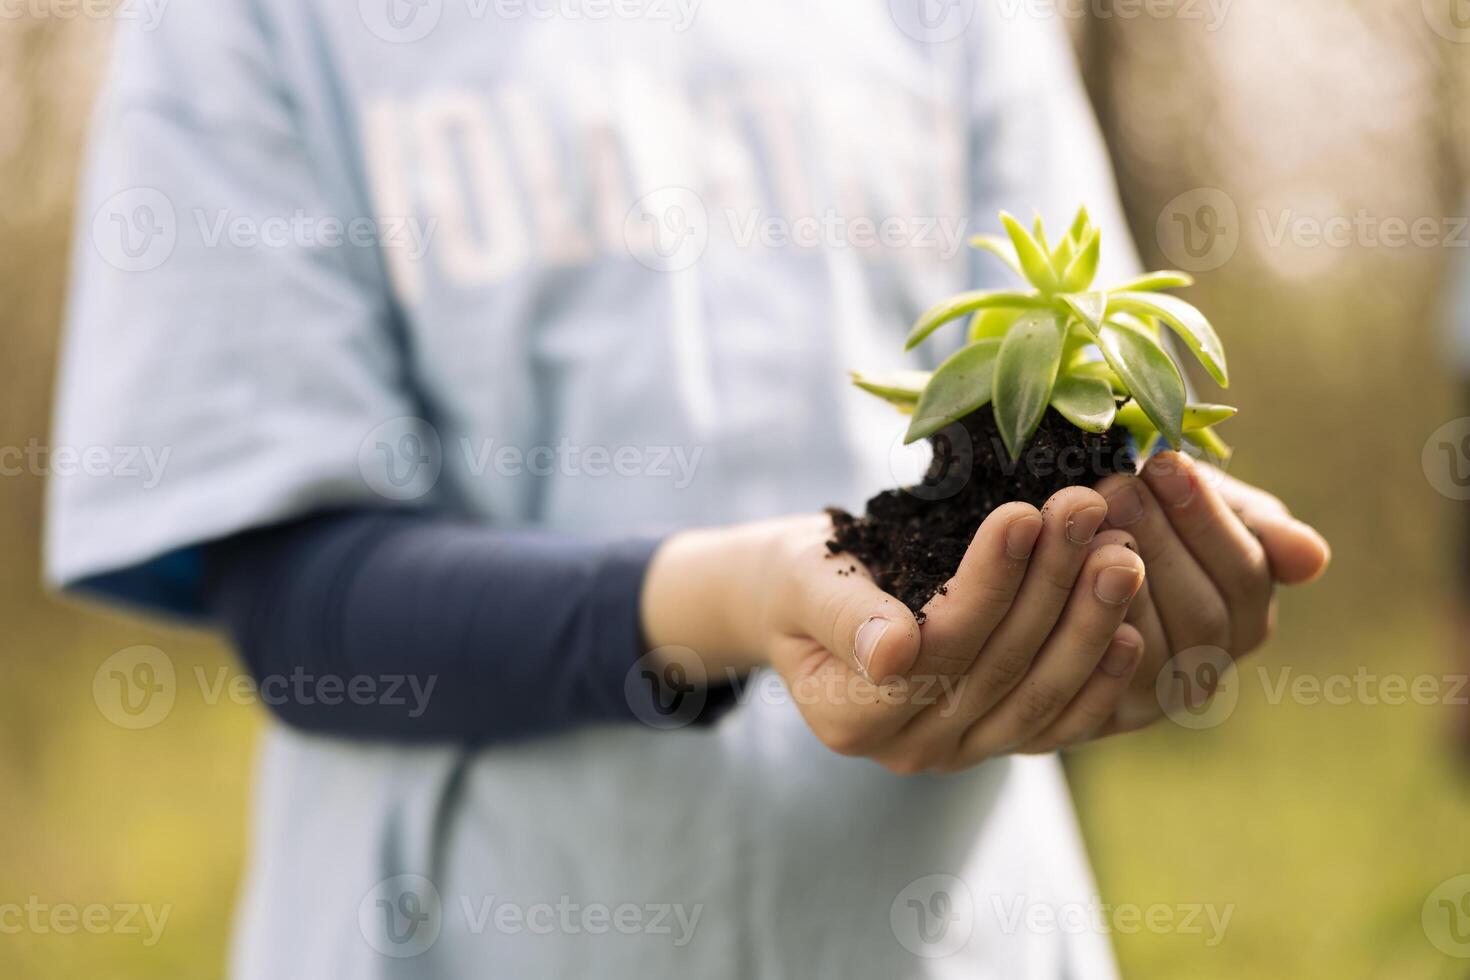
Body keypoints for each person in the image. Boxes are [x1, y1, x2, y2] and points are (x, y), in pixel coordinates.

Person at [47, 2, 1330, 976]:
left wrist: (1131, 589)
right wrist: (723, 598)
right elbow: (302, 597)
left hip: (945, 928)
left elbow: (1079, 374)